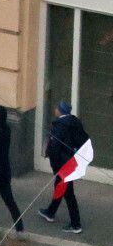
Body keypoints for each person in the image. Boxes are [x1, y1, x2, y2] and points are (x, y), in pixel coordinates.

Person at [41, 100, 89, 233]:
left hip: (63, 165)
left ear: (60, 110)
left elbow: (55, 147)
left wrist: (55, 165)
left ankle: (76, 224)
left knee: (68, 194)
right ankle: (50, 212)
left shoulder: (60, 126)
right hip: (70, 162)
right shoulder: (74, 122)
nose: (54, 109)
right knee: (59, 187)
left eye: (56, 108)